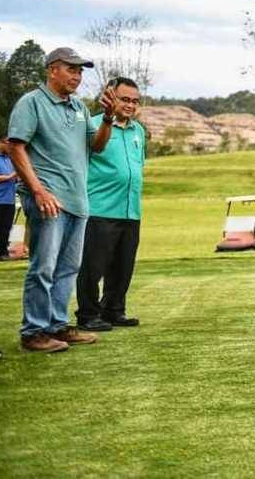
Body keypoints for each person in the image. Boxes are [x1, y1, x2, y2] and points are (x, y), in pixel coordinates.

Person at [7, 47, 117, 353]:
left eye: (80, 71)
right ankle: (33, 332)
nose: (77, 76)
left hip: (78, 200)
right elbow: (17, 148)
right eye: (71, 69)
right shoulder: (32, 103)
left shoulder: (79, 108)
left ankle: (56, 326)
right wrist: (39, 190)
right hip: (48, 199)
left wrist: (107, 118)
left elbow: (96, 145)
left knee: (68, 268)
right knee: (43, 267)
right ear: (52, 69)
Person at [75, 78, 146, 332]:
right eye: (125, 99)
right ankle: (88, 314)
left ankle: (114, 310)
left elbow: (138, 167)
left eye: (135, 101)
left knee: (123, 265)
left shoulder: (138, 131)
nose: (130, 105)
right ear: (111, 97)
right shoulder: (93, 125)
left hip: (130, 210)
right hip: (99, 208)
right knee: (93, 266)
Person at [0, 136, 17, 262]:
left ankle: (3, 253)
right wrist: (10, 176)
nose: (11, 148)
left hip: (9, 200)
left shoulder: (10, 160)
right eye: (9, 145)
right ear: (2, 143)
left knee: (6, 228)